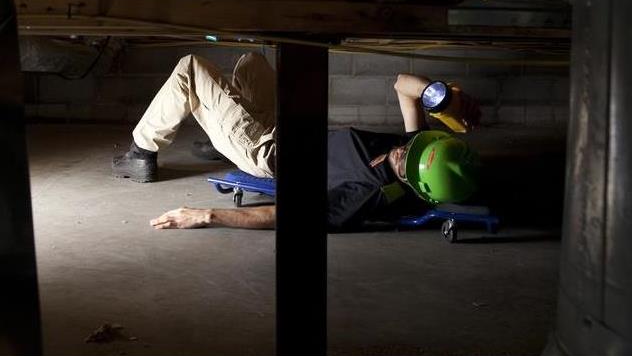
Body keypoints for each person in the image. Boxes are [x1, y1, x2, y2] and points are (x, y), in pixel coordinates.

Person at [111, 52, 481, 231]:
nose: (400, 150)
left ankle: (141, 151)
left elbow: (287, 217)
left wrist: (206, 216)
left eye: (403, 160)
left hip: (263, 149)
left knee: (190, 68)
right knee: (251, 62)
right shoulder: (414, 155)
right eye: (410, 147)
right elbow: (402, 85)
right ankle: (219, 136)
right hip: (286, 127)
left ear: (413, 184)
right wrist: (443, 96)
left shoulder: (366, 193)